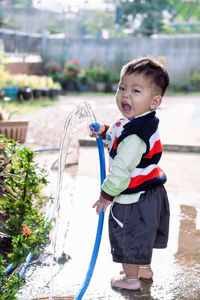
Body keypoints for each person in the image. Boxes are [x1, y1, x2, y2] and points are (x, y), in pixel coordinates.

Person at [89, 56, 170, 291]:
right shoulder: (138, 121)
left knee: (128, 236)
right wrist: (104, 131)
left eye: (135, 91)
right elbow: (118, 135)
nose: (125, 95)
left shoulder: (135, 136)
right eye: (122, 87)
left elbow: (121, 172)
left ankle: (131, 279)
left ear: (154, 101)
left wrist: (106, 195)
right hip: (151, 192)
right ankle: (143, 268)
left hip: (133, 197)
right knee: (143, 233)